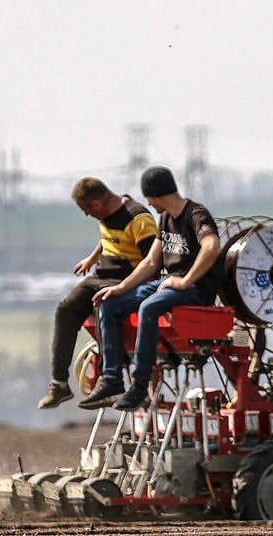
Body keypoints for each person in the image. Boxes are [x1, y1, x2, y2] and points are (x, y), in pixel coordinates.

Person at [89, 165, 224, 411]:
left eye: (149, 198)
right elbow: (151, 261)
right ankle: (111, 378)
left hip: (194, 290)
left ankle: (139, 387)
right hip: (167, 284)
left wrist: (185, 281)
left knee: (148, 308)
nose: (148, 204)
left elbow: (211, 246)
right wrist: (121, 287)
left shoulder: (195, 214)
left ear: (157, 194)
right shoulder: (164, 219)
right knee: (109, 306)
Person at [37, 177, 159, 409]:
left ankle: (111, 380)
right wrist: (92, 259)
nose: (86, 215)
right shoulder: (106, 215)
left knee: (104, 304)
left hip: (125, 279)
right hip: (101, 275)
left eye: (86, 210)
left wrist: (125, 289)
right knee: (66, 308)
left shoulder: (138, 218)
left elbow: (151, 262)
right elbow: (108, 238)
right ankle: (59, 384)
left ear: (95, 204)